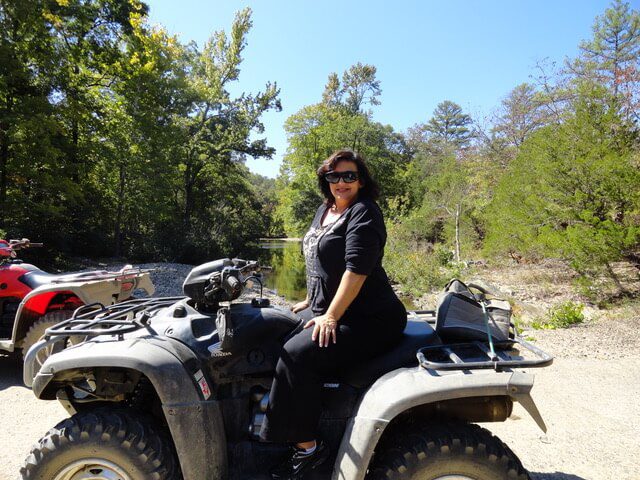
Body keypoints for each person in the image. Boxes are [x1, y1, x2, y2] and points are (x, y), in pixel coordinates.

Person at [260, 149, 407, 479]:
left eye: (349, 176)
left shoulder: (364, 212)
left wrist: (330, 316)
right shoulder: (325, 210)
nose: (341, 182)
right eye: (333, 176)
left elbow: (356, 271)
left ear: (361, 180)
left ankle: (308, 449)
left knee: (297, 353)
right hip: (337, 308)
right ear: (325, 180)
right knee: (272, 331)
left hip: (371, 317)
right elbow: (319, 260)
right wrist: (310, 300)